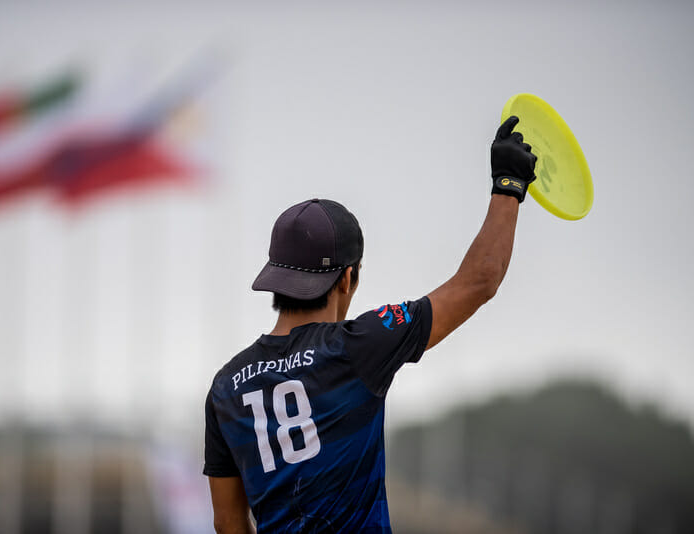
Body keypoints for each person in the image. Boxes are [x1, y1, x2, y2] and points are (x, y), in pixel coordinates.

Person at [203, 116, 537, 533]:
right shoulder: (358, 346)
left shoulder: (226, 386)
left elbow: (229, 523)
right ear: (347, 279)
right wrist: (509, 186)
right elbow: (479, 281)